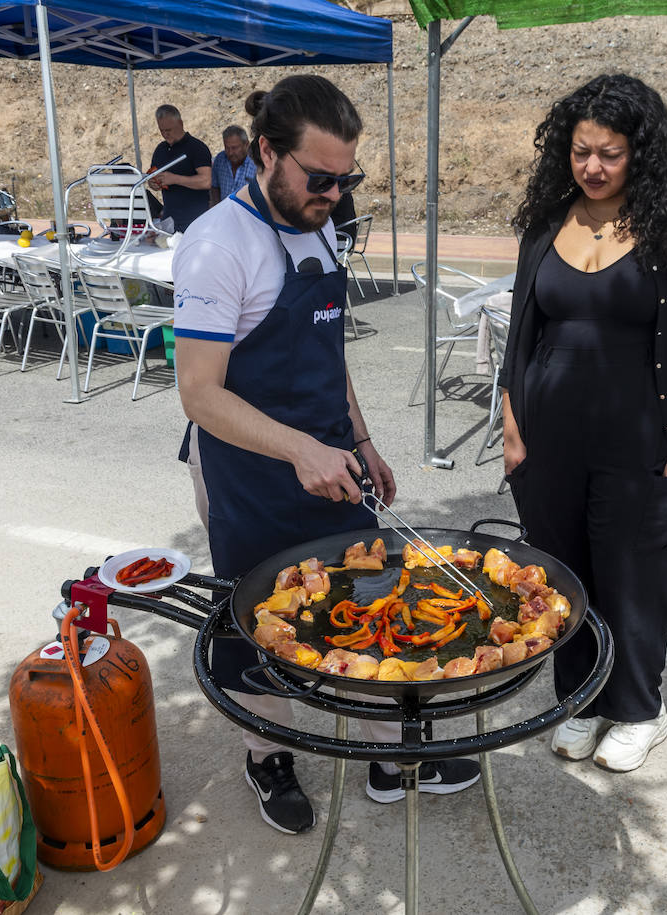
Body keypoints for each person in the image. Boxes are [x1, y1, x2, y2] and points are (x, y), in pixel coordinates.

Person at [170, 75, 479, 834]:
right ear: (266, 153)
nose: (335, 196)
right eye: (320, 179)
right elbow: (199, 393)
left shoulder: (320, 223)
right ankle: (267, 754)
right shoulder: (215, 245)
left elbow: (326, 352)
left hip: (330, 456)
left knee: (368, 598)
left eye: (347, 180)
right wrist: (300, 449)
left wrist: (361, 440)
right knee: (258, 620)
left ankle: (387, 754)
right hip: (248, 470)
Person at [499, 74, 667, 773]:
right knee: (562, 578)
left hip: (643, 446)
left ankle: (638, 709)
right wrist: (512, 431)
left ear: (641, 153)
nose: (593, 167)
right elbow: (521, 335)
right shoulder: (548, 222)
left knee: (635, 582)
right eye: (581, 152)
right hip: (549, 445)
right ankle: (580, 699)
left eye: (610, 153)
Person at [148, 105, 212, 232]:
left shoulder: (197, 148)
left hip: (196, 221)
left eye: (169, 130)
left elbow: (207, 181)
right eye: (162, 130)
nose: (165, 134)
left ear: (180, 123)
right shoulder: (160, 150)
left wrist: (175, 179)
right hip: (169, 221)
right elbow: (152, 177)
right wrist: (153, 183)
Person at [208, 125, 257, 205]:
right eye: (227, 148)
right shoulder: (220, 160)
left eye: (234, 148)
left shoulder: (256, 164)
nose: (230, 152)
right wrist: (218, 206)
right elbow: (215, 186)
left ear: (246, 144)